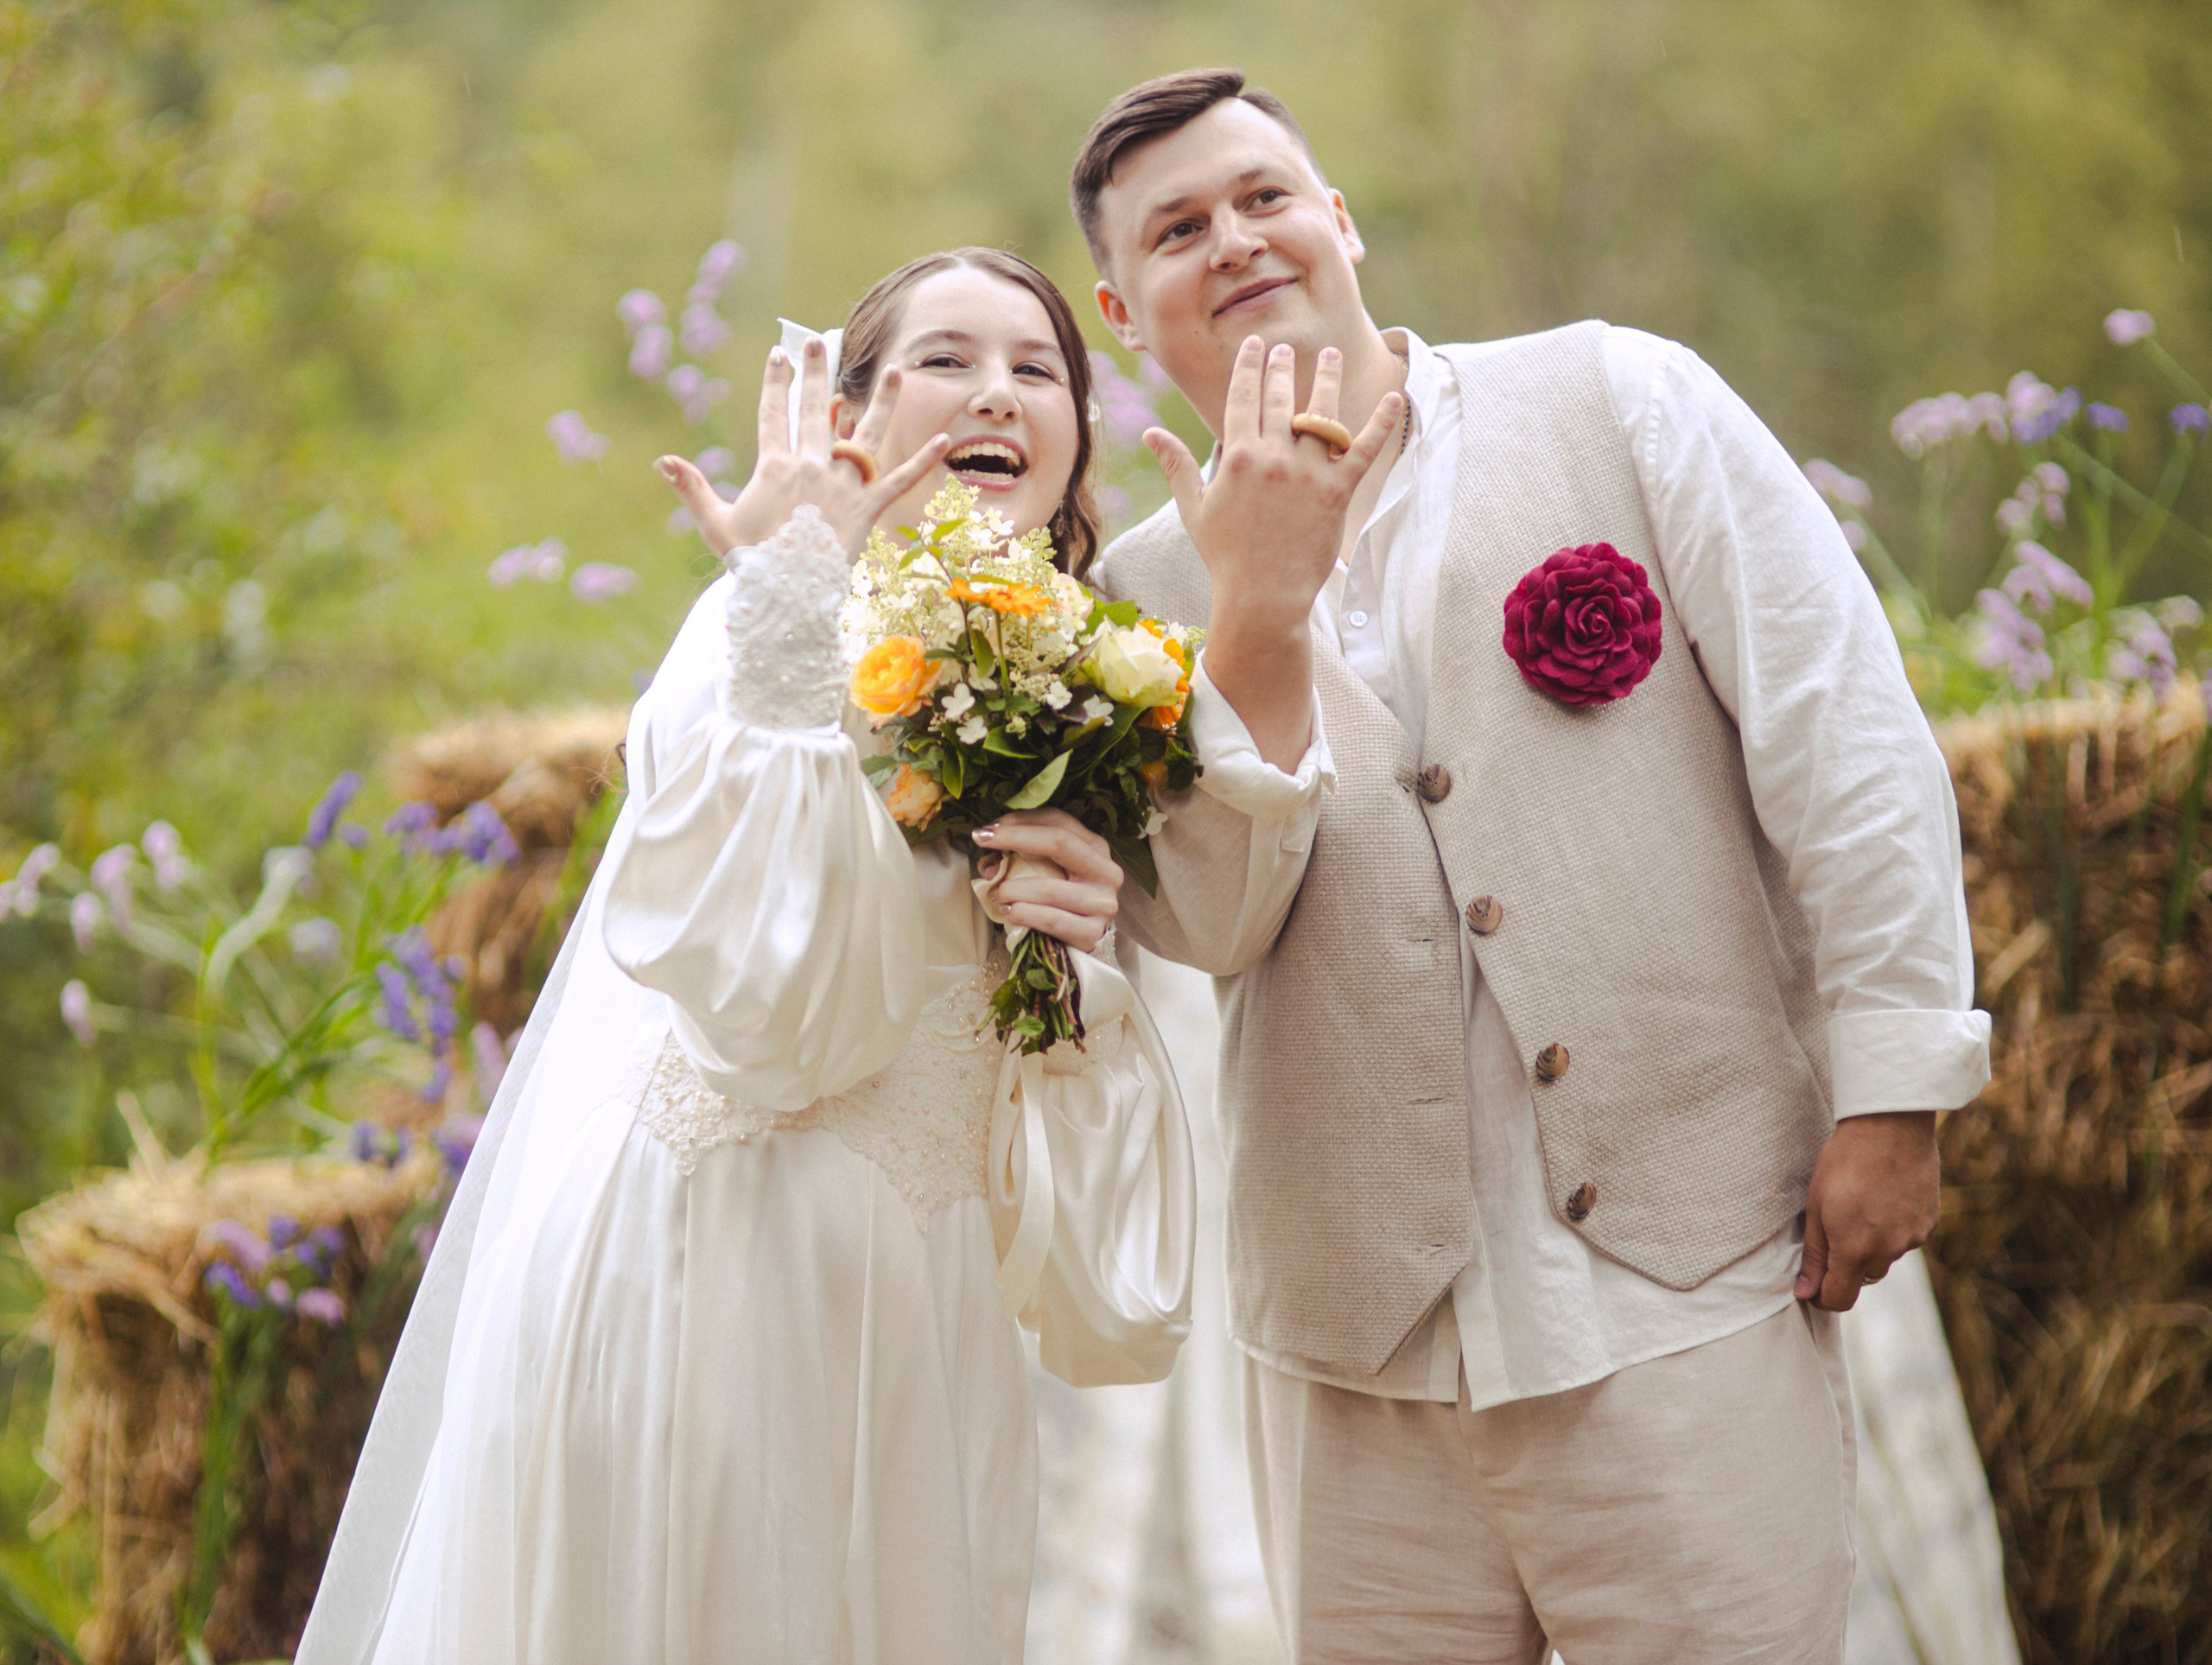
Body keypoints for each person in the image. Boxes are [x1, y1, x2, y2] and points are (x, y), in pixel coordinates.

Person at [1071, 68, 1993, 1663]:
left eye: (1262, 196)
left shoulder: (1622, 401)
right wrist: (1257, 615)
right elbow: (1209, 927)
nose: (1232, 240)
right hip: (1357, 1355)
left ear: (1338, 216)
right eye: (1177, 230)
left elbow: (1843, 739)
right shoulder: (1134, 593)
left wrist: (1895, 1091)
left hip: (1693, 1284)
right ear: (1121, 309)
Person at [296, 248, 1194, 1665]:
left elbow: (1059, 1154)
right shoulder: (760, 626)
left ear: (1077, 434)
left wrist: (1072, 963)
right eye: (944, 361)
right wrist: (785, 596)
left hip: (921, 1301)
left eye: (1038, 367)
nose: (998, 392)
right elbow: (772, 1020)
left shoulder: (1078, 688)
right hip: (714, 1266)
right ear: (849, 422)